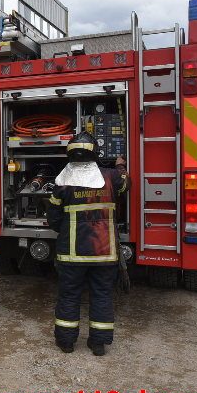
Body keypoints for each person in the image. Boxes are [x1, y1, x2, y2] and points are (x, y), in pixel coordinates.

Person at [47, 131, 130, 356]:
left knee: (69, 295)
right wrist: (120, 165)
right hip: (104, 254)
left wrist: (65, 231)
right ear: (96, 153)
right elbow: (125, 185)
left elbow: (53, 219)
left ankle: (66, 342)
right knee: (102, 295)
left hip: (71, 255)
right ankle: (98, 344)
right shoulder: (111, 176)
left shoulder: (62, 182)